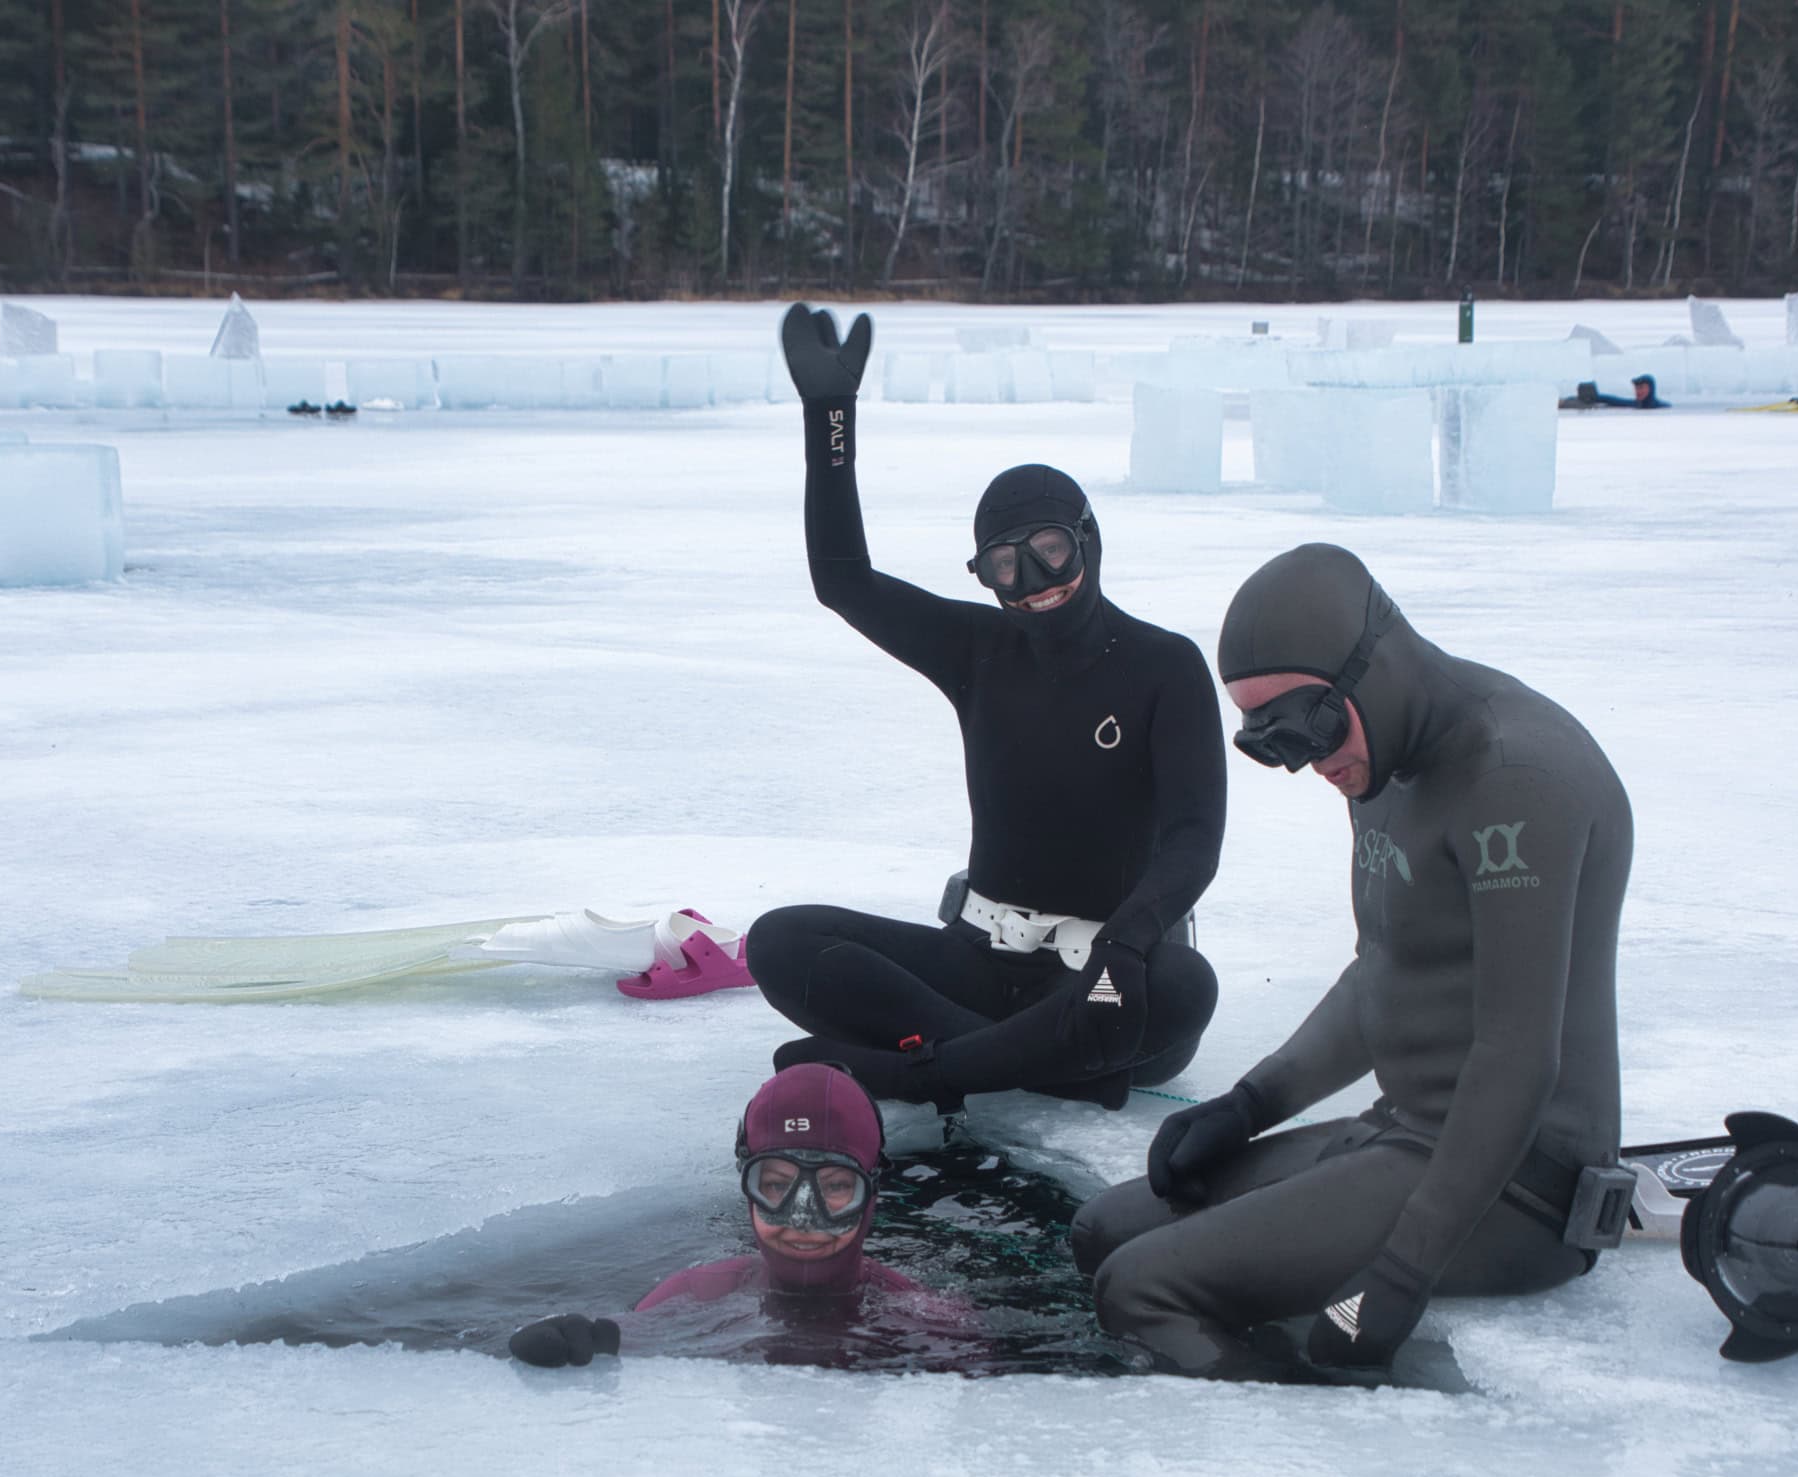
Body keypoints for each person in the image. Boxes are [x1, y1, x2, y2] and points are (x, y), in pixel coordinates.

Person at [1069, 543, 1634, 1381]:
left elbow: (1519, 1056)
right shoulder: (1385, 764)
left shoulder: (1517, 779)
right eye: (1273, 742)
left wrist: (1400, 1275)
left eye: (1311, 724)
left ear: (1372, 667)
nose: (1309, 760)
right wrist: (1246, 1104)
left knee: (1140, 1291)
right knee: (1107, 1228)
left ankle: (1302, 1472)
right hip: (1406, 1136)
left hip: (1519, 1192)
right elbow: (1384, 972)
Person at [743, 304, 1225, 1113]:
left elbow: (1191, 841)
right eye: (1006, 565)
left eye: (1049, 550)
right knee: (780, 940)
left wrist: (1132, 935)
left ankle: (919, 1065)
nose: (1035, 582)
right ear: (985, 576)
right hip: (983, 963)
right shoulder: (978, 650)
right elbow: (843, 580)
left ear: (1088, 538)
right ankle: (1021, 1059)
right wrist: (830, 419)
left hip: (1105, 974)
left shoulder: (1164, 667)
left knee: (1188, 987)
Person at [509, 1062, 965, 1367]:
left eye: (836, 1187)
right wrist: (573, 1340)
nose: (803, 1218)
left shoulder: (932, 1321)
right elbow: (624, 1337)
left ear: (872, 1194)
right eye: (776, 1185)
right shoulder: (691, 1295)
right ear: (747, 1190)